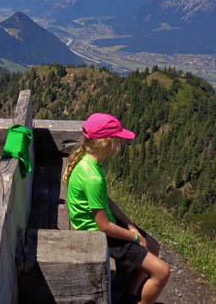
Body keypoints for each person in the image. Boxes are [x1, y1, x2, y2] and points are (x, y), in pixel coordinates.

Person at [63, 113, 169, 304]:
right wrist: (134, 237)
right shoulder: (92, 177)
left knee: (153, 245)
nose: (121, 143)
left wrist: (130, 225)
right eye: (118, 139)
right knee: (162, 272)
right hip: (94, 233)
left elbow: (105, 200)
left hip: (97, 225)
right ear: (107, 142)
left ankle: (128, 294)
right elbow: (103, 226)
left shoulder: (88, 161)